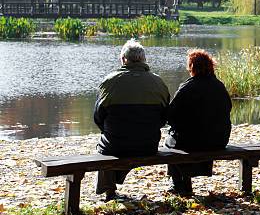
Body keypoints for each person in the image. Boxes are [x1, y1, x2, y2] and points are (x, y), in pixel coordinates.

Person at [93, 39, 170, 201]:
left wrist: (107, 130)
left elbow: (98, 116)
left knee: (104, 145)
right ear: (144, 60)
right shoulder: (158, 82)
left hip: (116, 145)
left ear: (123, 59)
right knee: (116, 142)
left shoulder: (110, 81)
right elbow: (164, 117)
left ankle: (108, 190)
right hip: (148, 144)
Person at [164, 49, 232, 196]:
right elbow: (228, 108)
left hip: (194, 142)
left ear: (192, 67)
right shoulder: (219, 86)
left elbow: (171, 115)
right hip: (219, 140)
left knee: (170, 142)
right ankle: (185, 182)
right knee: (188, 136)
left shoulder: (188, 87)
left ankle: (178, 184)